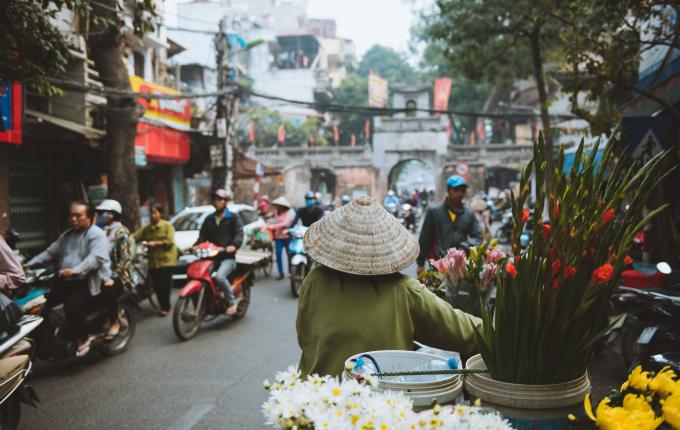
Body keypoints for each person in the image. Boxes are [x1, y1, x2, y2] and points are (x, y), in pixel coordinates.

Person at [296, 196, 482, 377]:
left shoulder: (314, 280)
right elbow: (463, 331)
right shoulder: (404, 290)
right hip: (382, 402)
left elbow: (305, 334)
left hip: (316, 396)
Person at [25, 201, 111, 357]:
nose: (73, 219)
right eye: (71, 215)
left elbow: (94, 259)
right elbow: (50, 252)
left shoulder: (97, 235)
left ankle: (83, 338)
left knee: (72, 306)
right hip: (66, 279)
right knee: (39, 303)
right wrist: (27, 264)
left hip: (88, 281)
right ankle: (48, 343)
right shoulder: (67, 235)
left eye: (78, 215)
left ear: (90, 218)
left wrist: (75, 270)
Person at [417, 176, 482, 275]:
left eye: (462, 190)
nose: (460, 193)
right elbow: (425, 238)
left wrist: (465, 246)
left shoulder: (469, 214)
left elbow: (478, 236)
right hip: (439, 263)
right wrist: (420, 263)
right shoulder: (434, 212)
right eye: (456, 190)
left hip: (461, 265)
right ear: (448, 190)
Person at [193, 189, 243, 316]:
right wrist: (196, 246)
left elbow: (239, 234)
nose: (216, 202)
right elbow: (202, 236)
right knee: (198, 275)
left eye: (219, 199)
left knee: (220, 277)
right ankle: (203, 305)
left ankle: (232, 303)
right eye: (214, 199)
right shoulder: (209, 219)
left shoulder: (233, 217)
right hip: (211, 257)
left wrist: (233, 245)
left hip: (228, 257)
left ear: (225, 201)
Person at [95, 199, 132, 339]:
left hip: (118, 274)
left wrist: (111, 276)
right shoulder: (100, 230)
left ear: (113, 214)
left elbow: (124, 258)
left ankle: (114, 321)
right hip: (99, 271)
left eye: (103, 213)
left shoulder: (121, 232)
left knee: (107, 290)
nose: (100, 215)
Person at [133, 203, 177, 317]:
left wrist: (156, 243)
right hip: (153, 262)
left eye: (155, 213)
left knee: (164, 285)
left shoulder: (167, 226)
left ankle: (165, 307)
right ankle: (163, 305)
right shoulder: (147, 229)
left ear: (160, 214)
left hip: (167, 261)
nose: (152, 216)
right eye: (151, 213)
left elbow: (170, 242)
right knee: (157, 285)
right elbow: (134, 237)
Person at [262, 196, 294, 280]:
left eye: (279, 205)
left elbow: (285, 224)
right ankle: (281, 273)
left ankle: (291, 272)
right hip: (278, 237)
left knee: (289, 255)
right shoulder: (276, 212)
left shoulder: (290, 212)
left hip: (287, 236)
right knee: (278, 254)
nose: (277, 207)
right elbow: (271, 219)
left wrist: (272, 226)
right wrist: (265, 224)